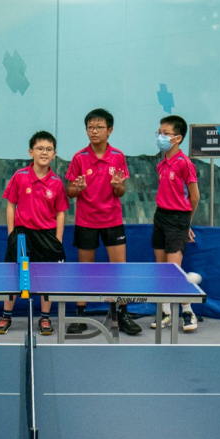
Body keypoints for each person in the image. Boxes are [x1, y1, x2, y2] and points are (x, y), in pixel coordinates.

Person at [64, 108, 139, 337]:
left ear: (109, 130)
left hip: (112, 220)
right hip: (86, 221)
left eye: (99, 127)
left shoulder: (118, 156)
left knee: (119, 270)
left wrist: (117, 186)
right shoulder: (79, 157)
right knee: (85, 270)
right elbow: (70, 191)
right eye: (90, 127)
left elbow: (121, 191)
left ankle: (121, 314)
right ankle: (81, 316)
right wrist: (77, 188)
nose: (94, 131)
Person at [0, 131, 68, 337]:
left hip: (47, 235)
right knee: (14, 275)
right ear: (31, 152)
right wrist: (12, 234)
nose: (44, 152)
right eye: (40, 148)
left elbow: (61, 212)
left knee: (47, 278)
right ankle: (6, 315)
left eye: (48, 149)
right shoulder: (20, 176)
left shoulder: (56, 182)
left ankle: (45, 317)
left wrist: (58, 240)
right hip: (22, 235)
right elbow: (11, 205)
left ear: (54, 154)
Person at [151, 115, 199, 333]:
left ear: (177, 138)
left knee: (174, 271)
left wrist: (186, 223)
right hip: (160, 216)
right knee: (162, 269)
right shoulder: (161, 164)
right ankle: (166, 313)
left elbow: (195, 196)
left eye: (165, 133)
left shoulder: (185, 164)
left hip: (178, 219)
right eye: (159, 132)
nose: (160, 137)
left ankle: (188, 311)